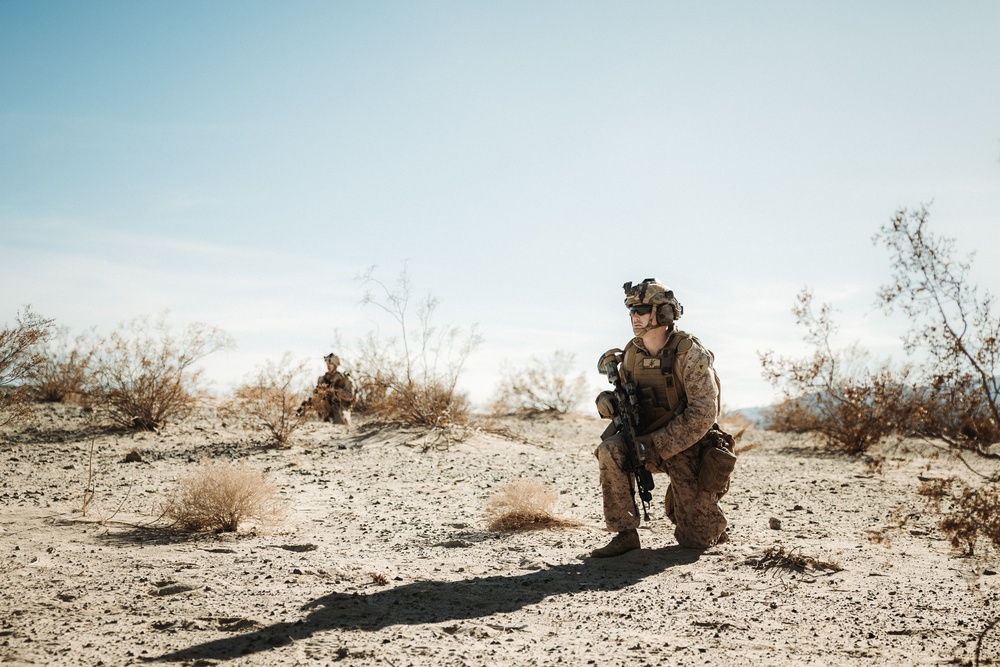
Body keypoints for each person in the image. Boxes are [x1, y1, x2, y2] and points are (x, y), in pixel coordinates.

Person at [591, 279, 729, 557]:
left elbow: (703, 412)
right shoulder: (631, 353)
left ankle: (693, 508)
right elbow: (631, 403)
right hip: (644, 441)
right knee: (610, 450)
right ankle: (624, 533)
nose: (634, 317)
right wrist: (607, 402)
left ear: (662, 314)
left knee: (697, 541)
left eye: (641, 310)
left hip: (690, 447)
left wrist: (656, 444)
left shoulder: (689, 353)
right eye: (631, 311)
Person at [308, 353, 355, 426]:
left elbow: (350, 396)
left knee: (342, 423)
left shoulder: (344, 379)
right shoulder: (323, 379)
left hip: (340, 408)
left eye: (331, 363)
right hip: (326, 409)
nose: (328, 365)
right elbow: (317, 395)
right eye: (327, 363)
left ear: (336, 364)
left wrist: (336, 391)